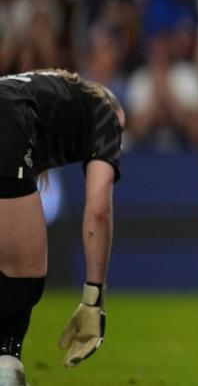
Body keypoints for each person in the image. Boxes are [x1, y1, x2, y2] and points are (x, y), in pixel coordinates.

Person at [0, 69, 124, 386]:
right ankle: (6, 362)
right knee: (25, 277)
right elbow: (97, 210)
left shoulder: (47, 95)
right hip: (6, 123)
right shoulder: (105, 112)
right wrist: (93, 298)